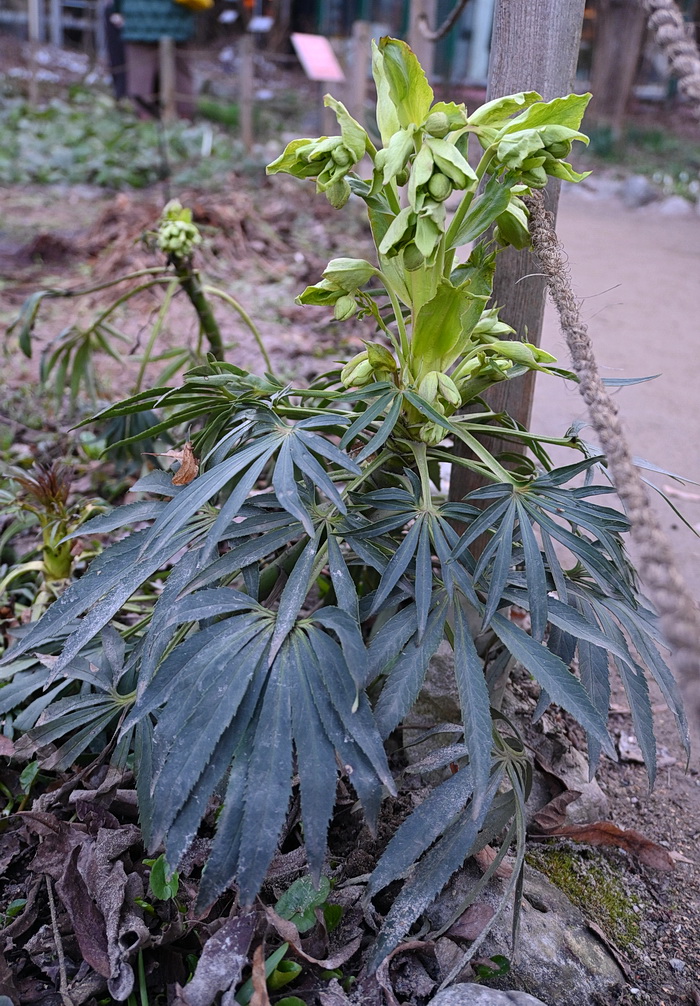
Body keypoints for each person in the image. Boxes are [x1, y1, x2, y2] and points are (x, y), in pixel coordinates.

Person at [109, 0, 196, 119]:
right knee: (180, 72)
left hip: (138, 19)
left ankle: (143, 117)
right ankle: (185, 117)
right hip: (176, 19)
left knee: (140, 73)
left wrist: (117, 9)